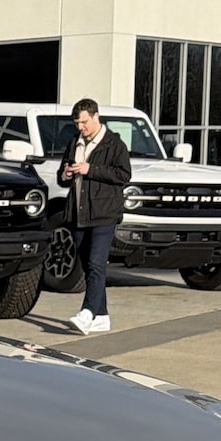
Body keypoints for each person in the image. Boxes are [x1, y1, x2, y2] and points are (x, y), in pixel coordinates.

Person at [60, 98, 130, 334]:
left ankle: (87, 312)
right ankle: (101, 315)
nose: (81, 127)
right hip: (78, 213)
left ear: (96, 116)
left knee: (96, 263)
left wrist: (92, 169)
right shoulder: (75, 142)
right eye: (77, 123)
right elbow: (62, 175)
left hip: (104, 214)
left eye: (84, 122)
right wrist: (67, 173)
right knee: (87, 265)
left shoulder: (114, 144)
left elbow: (123, 175)